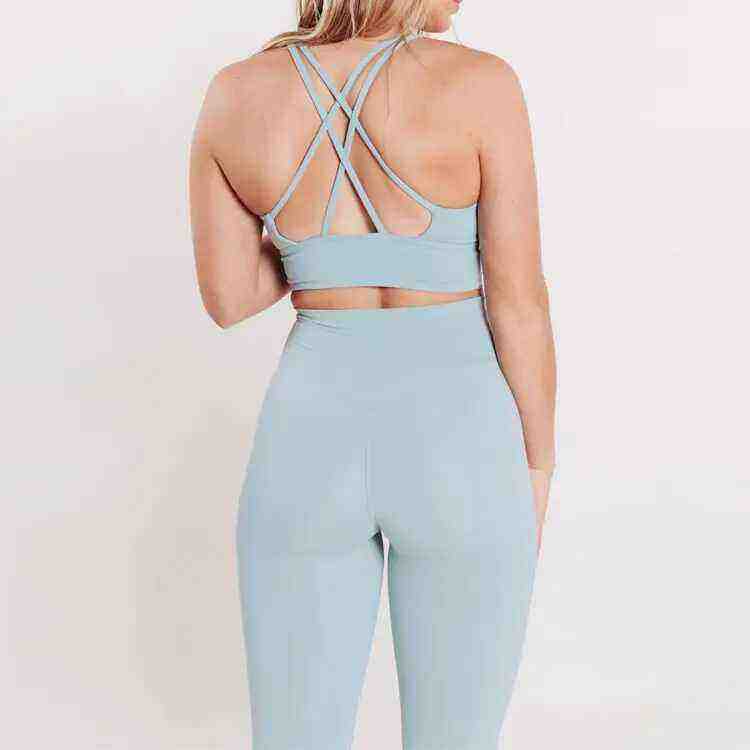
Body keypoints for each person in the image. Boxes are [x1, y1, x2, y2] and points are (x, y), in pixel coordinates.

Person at [190, 1, 556, 747]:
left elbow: (229, 298)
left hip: (307, 440)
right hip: (462, 442)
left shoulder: (235, 92)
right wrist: (538, 465)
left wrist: (326, 253)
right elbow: (518, 302)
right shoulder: (483, 84)